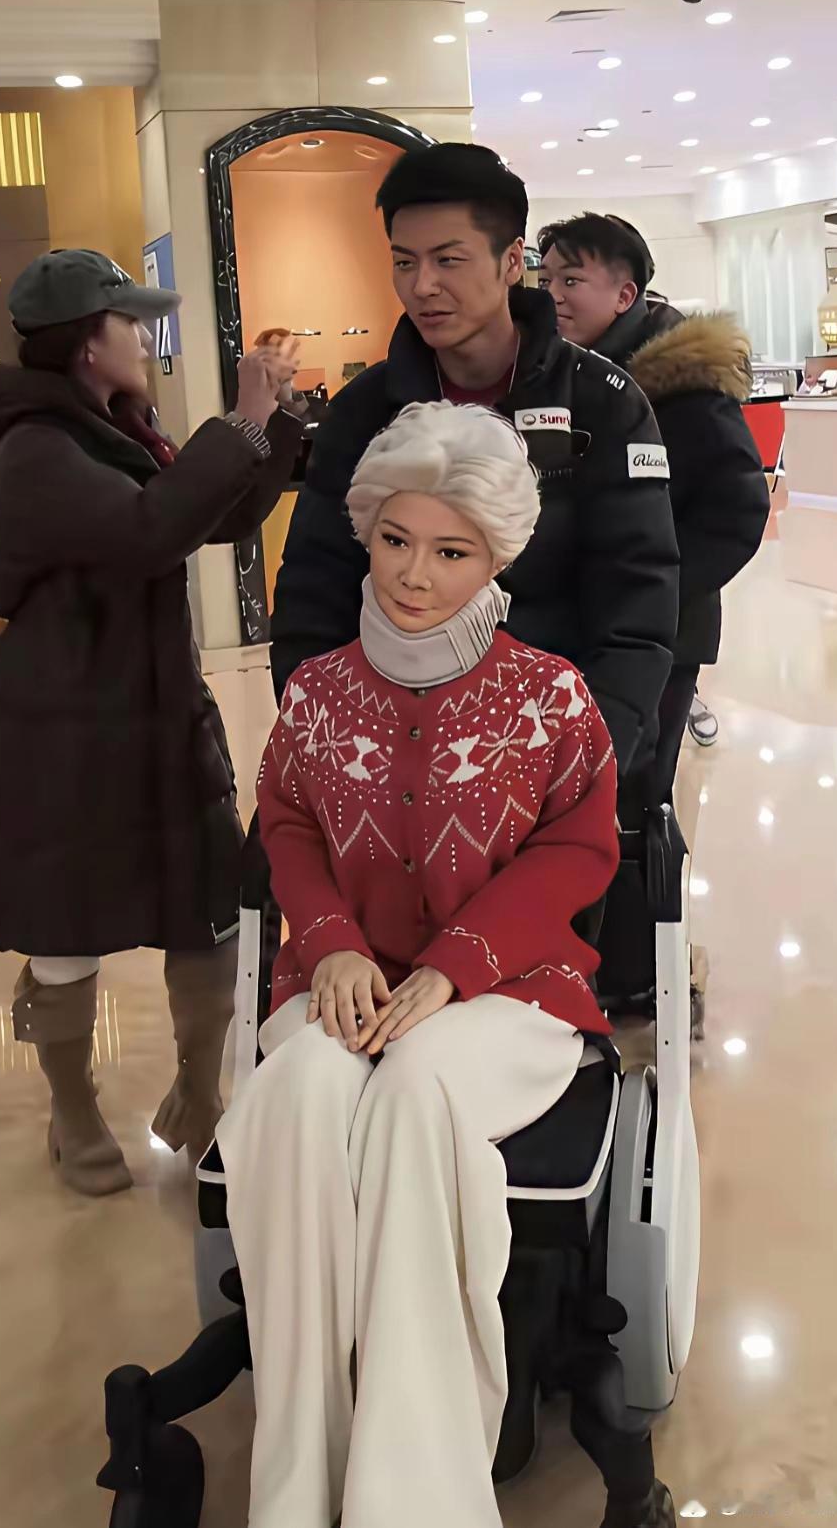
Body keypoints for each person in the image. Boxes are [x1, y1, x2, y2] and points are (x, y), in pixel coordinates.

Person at [218, 399, 674, 1528]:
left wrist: (456, 966)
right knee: (300, 1094)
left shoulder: (549, 696)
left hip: (513, 997)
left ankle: (412, 1496)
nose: (415, 575)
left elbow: (578, 847)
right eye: (395, 540)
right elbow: (288, 825)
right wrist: (329, 943)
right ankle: (297, 1483)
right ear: (366, 532)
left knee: (416, 1093)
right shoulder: (317, 693)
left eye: (451, 551)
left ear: (497, 556)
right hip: (344, 983)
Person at [0, 248, 301, 1195]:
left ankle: (198, 1092)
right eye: (132, 323)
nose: (147, 339)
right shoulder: (38, 448)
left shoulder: (120, 429)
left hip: (157, 714)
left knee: (208, 915)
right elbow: (146, 533)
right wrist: (239, 423)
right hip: (61, 730)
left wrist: (270, 427)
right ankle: (72, 1111)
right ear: (87, 343)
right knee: (66, 930)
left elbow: (210, 521)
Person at [269, 143, 679, 784]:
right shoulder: (364, 413)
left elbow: (638, 606)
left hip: (554, 748)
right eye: (404, 262)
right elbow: (313, 594)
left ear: (512, 261)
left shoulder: (602, 403)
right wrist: (332, 748)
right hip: (393, 760)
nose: (422, 285)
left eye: (448, 260)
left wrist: (579, 772)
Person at [538, 213, 769, 805]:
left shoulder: (682, 382)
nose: (552, 295)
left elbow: (739, 509)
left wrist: (651, 594)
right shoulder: (560, 374)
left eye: (571, 281)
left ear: (625, 295)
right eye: (545, 281)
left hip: (664, 635)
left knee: (635, 792)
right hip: (570, 624)